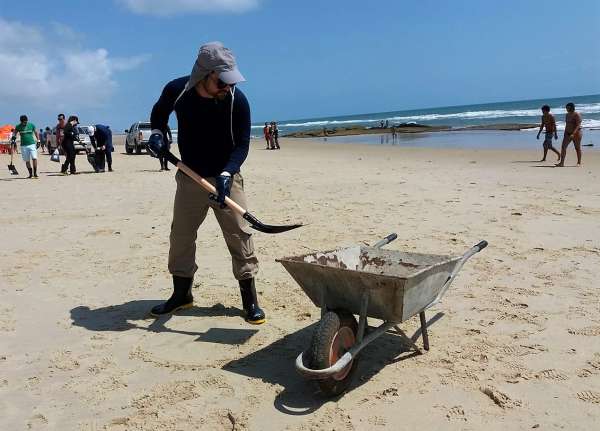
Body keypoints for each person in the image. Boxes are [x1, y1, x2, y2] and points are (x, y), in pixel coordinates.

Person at [147, 41, 265, 324]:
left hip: (227, 176)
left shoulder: (238, 100)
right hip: (190, 176)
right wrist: (157, 134)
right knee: (181, 237)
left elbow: (242, 146)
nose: (227, 87)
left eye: (231, 81)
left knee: (239, 235)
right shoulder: (177, 92)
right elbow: (158, 114)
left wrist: (227, 173)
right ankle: (181, 294)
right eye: (222, 81)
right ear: (204, 74)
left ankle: (249, 299)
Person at [556, 102, 583, 167]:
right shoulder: (567, 115)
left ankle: (579, 162)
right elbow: (567, 125)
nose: (566, 109)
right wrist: (565, 133)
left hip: (576, 134)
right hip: (567, 134)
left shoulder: (577, 115)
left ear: (571, 107)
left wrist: (573, 133)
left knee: (577, 148)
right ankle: (562, 163)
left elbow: (578, 125)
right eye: (566, 107)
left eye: (567, 107)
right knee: (563, 147)